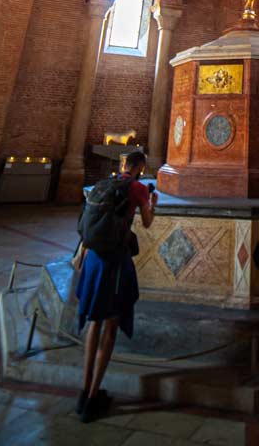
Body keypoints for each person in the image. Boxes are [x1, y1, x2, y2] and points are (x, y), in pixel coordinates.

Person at [75, 150, 157, 422]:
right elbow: (146, 223)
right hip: (115, 262)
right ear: (141, 167)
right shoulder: (138, 189)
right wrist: (152, 204)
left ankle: (84, 391)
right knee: (110, 326)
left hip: (93, 260)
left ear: (125, 165)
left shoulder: (102, 185)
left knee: (94, 324)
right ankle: (93, 398)